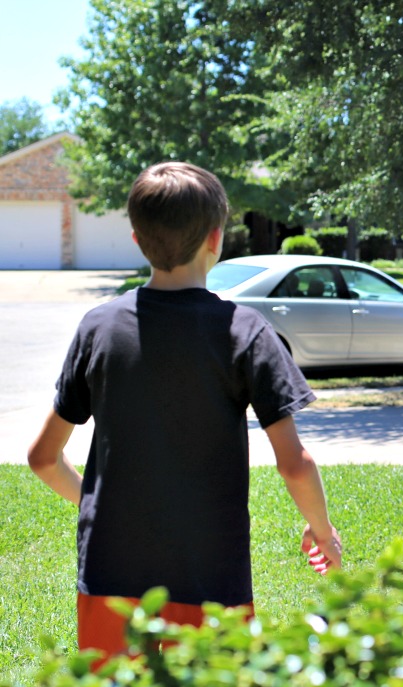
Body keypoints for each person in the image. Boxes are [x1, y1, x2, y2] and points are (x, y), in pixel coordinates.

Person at [27, 161, 342, 665]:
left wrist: (98, 509)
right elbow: (294, 462)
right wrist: (321, 532)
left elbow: (44, 458)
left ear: (136, 238)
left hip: (109, 570)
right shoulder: (245, 330)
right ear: (217, 238)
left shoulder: (99, 327)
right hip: (210, 575)